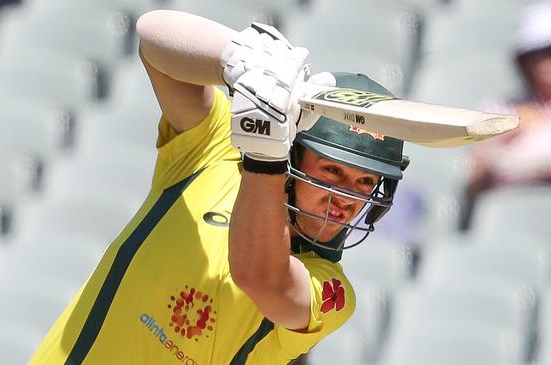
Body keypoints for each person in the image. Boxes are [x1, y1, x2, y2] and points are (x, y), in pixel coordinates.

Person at [29, 10, 409, 364]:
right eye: (332, 171)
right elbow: (152, 37)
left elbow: (261, 278)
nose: (346, 197)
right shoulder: (215, 152)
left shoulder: (330, 292)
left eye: (365, 181)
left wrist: (265, 154)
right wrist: (238, 61)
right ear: (296, 155)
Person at [461, 2, 551, 229]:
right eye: (540, 52)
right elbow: (474, 177)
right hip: (510, 218)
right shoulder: (502, 108)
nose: (550, 60)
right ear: (524, 59)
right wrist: (507, 135)